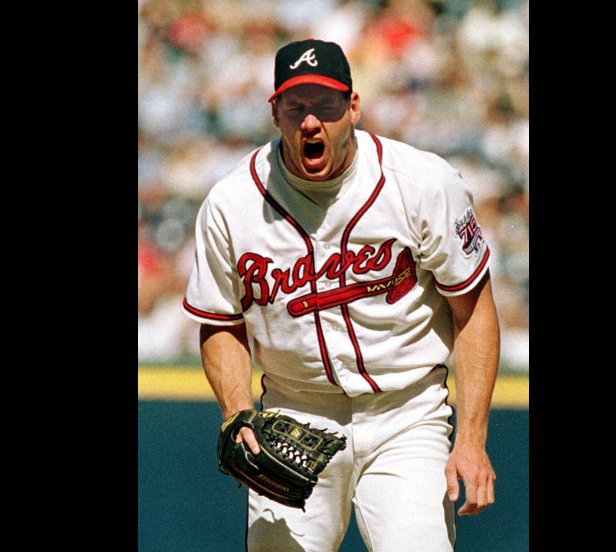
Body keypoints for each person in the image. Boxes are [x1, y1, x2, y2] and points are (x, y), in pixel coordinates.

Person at [182, 38, 500, 551]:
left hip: (407, 412)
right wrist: (239, 412)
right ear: (275, 113)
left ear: (353, 107)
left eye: (326, 106)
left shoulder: (421, 183)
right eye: (296, 106)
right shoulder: (231, 203)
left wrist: (471, 438)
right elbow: (220, 321)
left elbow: (474, 309)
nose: (311, 122)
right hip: (293, 413)